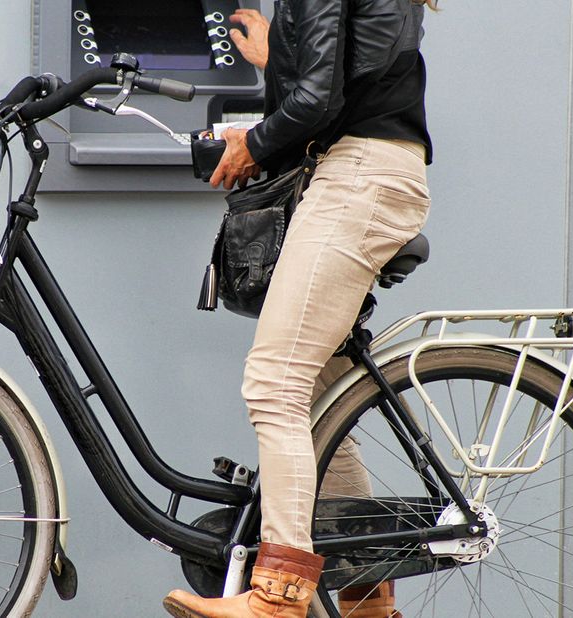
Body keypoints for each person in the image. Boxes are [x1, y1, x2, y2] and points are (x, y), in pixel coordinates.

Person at [164, 1, 436, 617]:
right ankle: (369, 598)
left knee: (274, 382)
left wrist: (252, 143)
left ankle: (277, 597)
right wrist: (278, 53)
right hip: (368, 171)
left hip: (358, 178)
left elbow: (317, 100)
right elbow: (349, 73)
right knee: (316, 396)